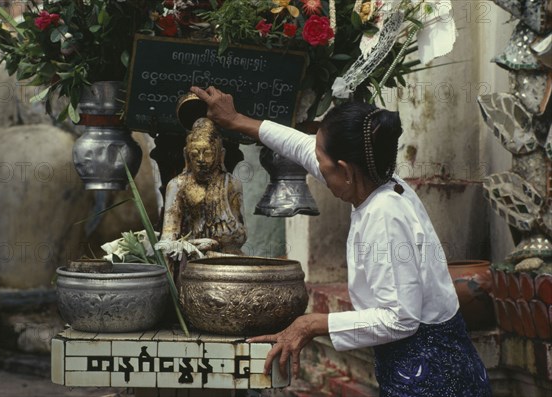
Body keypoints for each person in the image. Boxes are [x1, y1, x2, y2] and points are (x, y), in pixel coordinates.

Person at [190, 85, 491, 397]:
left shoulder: (384, 216)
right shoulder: (375, 178)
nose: (315, 165)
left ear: (345, 169)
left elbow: (400, 319)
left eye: (322, 160)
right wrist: (237, 120)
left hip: (434, 378)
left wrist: (311, 324)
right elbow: (302, 146)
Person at [159, 116, 246, 258]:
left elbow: (241, 237)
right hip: (190, 259)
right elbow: (167, 240)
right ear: (186, 156)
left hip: (226, 259)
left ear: (220, 155)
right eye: (194, 154)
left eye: (208, 153)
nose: (200, 160)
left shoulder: (231, 184)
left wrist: (222, 239)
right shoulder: (177, 185)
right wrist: (191, 246)